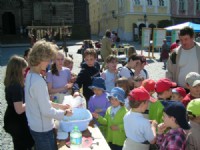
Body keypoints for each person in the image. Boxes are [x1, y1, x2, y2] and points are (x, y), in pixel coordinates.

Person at [25, 40, 72, 150]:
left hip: (35, 125)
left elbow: (41, 102)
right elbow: (46, 111)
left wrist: (60, 106)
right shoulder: (38, 81)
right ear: (41, 59)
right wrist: (65, 113)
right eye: (48, 59)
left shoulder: (30, 74)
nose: (50, 63)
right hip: (43, 129)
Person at [3, 55, 34, 150]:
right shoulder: (16, 86)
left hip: (12, 118)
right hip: (16, 121)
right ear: (18, 70)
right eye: (24, 70)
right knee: (23, 144)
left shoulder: (11, 82)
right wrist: (32, 100)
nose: (25, 72)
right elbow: (19, 109)